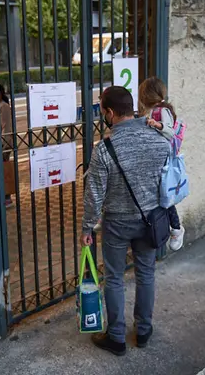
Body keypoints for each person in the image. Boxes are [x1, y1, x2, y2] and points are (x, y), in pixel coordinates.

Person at [81, 86, 170, 355]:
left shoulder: (105, 149)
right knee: (146, 274)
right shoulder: (158, 139)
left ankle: (117, 337)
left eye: (102, 109)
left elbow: (94, 195)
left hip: (117, 223)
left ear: (109, 112)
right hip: (151, 219)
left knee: (115, 278)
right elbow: (168, 171)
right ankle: (143, 331)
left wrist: (87, 226)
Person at [138, 77, 185, 251]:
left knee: (166, 198)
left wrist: (157, 125)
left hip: (162, 164)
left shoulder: (161, 111)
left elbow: (170, 132)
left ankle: (176, 228)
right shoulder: (154, 110)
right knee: (162, 198)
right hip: (155, 162)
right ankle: (172, 228)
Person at [0, 84, 14, 208]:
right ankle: (5, 196)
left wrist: (3, 145)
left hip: (4, 143)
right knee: (3, 169)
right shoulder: (0, 105)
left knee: (4, 170)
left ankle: (7, 197)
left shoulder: (3, 106)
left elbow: (5, 126)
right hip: (3, 141)